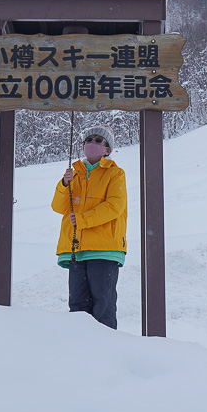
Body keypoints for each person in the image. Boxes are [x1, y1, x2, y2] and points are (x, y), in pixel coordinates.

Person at [51, 125, 127, 329]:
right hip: (76, 249)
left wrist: (84, 220)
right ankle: (79, 353)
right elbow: (58, 207)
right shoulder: (73, 173)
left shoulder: (115, 173)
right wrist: (63, 185)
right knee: (77, 309)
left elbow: (115, 206)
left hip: (105, 249)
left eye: (98, 141)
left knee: (103, 307)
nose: (91, 144)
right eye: (88, 140)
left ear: (108, 149)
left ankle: (107, 353)